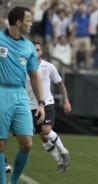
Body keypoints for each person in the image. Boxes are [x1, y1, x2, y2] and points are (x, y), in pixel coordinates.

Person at [0, 6, 45, 184]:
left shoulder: (28, 46)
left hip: (20, 95)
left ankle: (13, 182)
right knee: (1, 144)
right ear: (18, 22)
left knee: (27, 143)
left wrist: (41, 103)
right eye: (28, 20)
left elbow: (34, 76)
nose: (31, 23)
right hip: (1, 92)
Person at [26, 41, 71, 172]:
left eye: (38, 49)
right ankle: (59, 162)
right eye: (33, 50)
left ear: (41, 52)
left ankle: (64, 152)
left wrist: (66, 101)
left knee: (46, 130)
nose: (35, 52)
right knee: (43, 136)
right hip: (31, 106)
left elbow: (60, 85)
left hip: (47, 103)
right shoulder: (24, 67)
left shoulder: (49, 66)